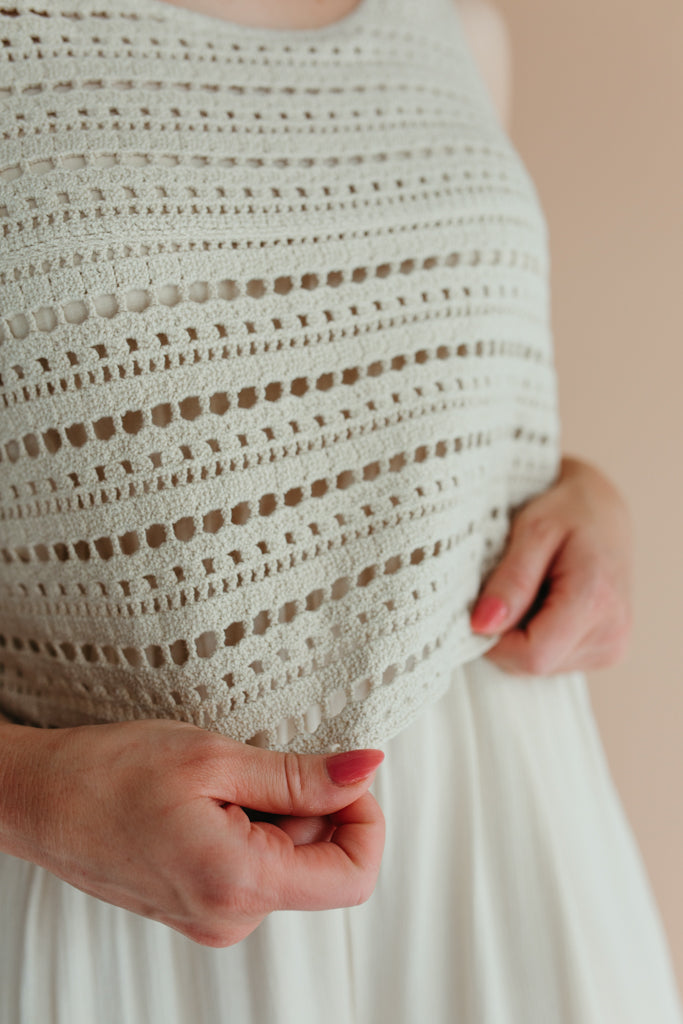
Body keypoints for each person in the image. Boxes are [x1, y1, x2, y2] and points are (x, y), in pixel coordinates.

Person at [0, 0, 681, 1020]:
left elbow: (408, 416)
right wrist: (31, 791)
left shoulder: (454, 29)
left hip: (508, 850)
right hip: (128, 910)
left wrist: (582, 491)